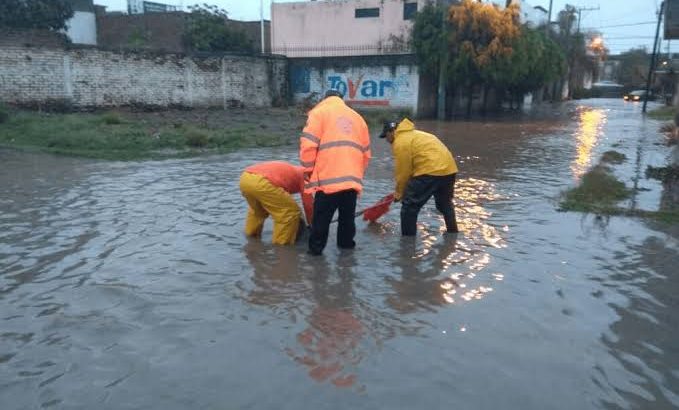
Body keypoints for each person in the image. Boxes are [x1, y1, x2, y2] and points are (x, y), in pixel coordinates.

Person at [300, 89, 371, 255]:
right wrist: (356, 174)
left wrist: (307, 170)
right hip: (351, 180)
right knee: (347, 219)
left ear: (325, 99)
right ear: (341, 99)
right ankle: (346, 254)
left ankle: (315, 254)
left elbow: (308, 145)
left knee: (321, 219)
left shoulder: (319, 113)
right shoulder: (358, 118)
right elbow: (366, 154)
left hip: (328, 180)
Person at [379, 118, 459, 236]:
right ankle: (453, 234)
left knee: (409, 207)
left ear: (391, 131)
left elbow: (403, 172)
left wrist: (399, 193)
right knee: (445, 204)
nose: (386, 140)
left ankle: (407, 244)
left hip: (429, 172)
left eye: (385, 136)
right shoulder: (420, 135)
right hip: (449, 170)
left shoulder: (400, 142)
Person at [239, 161, 314, 245]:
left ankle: (251, 238)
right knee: (290, 213)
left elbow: (282, 198)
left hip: (245, 178)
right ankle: (281, 247)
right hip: (263, 182)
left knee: (258, 211)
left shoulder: (294, 172)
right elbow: (308, 205)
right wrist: (312, 225)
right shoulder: (306, 177)